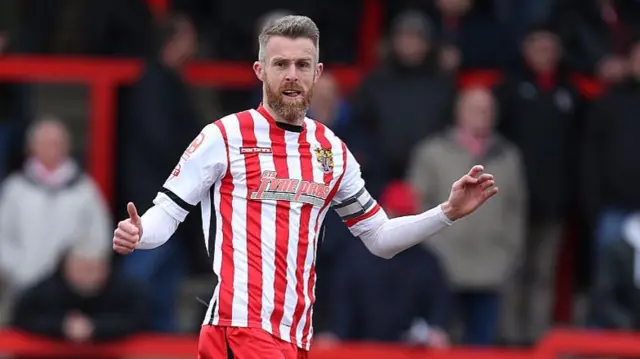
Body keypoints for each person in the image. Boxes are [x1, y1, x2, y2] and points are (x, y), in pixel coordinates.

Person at [112, 15, 499, 359]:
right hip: (239, 327)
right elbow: (168, 211)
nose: (292, 74)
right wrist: (141, 231)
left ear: (318, 72)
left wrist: (446, 212)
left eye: (302, 64)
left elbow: (379, 237)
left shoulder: (332, 151)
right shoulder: (225, 136)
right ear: (260, 70)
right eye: (281, 64)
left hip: (295, 335)